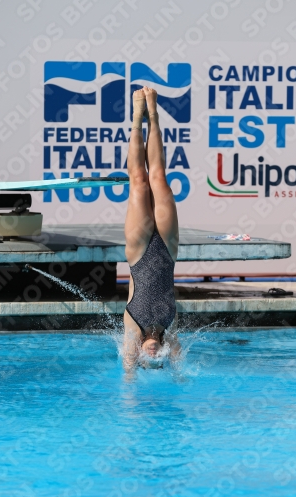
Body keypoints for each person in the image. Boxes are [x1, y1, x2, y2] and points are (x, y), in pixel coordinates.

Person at [123, 86, 181, 372]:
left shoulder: (134, 327)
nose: (154, 353)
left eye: (150, 359)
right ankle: (154, 115)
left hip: (139, 252)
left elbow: (127, 366)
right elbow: (179, 360)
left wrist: (130, 386)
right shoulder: (170, 329)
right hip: (168, 249)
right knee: (159, 178)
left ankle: (137, 116)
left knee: (139, 181)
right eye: (160, 358)